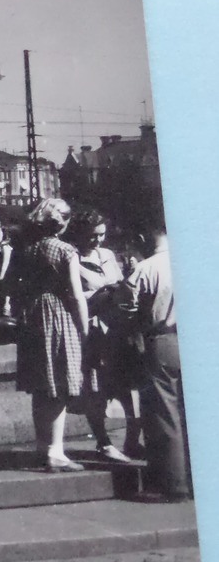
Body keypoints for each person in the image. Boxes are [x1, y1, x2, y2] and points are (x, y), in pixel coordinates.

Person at [12, 198, 89, 472]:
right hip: (58, 313)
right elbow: (77, 295)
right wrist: (85, 328)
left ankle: (41, 446)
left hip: (32, 315)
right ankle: (56, 450)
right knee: (59, 383)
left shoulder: (25, 248)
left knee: (41, 385)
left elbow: (10, 284)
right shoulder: (65, 250)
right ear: (63, 223)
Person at [116, 219, 190, 501]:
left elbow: (125, 311)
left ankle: (173, 484)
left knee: (165, 415)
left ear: (142, 237)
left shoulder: (146, 269)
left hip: (161, 342)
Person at [65, 210, 136, 462]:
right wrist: (99, 296)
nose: (98, 241)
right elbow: (71, 297)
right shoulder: (72, 257)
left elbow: (119, 283)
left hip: (115, 330)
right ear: (81, 234)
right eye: (93, 236)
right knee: (95, 389)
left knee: (125, 387)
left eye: (102, 235)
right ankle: (103, 442)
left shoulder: (107, 255)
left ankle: (132, 438)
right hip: (92, 331)